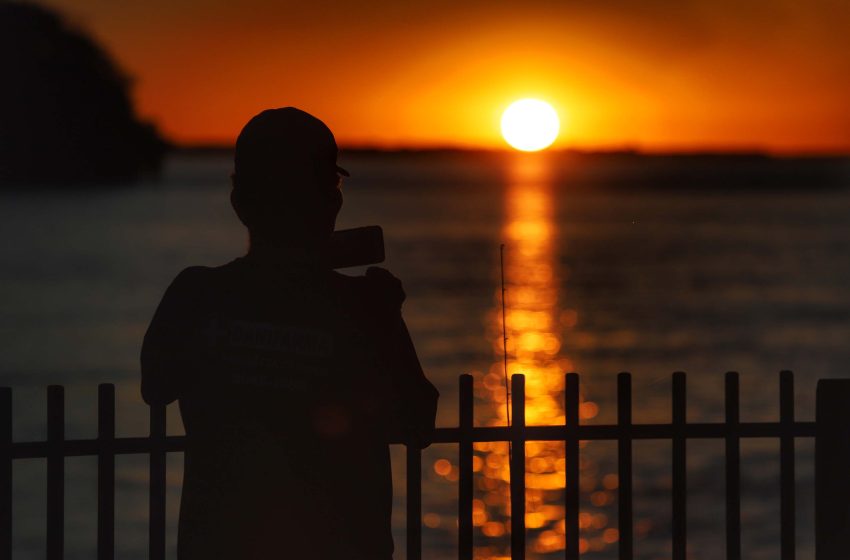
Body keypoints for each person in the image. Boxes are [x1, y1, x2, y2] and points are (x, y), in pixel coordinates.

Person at [140, 107, 439, 560]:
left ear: (239, 201)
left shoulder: (196, 295)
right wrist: (382, 317)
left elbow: (156, 385)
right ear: (332, 202)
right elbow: (415, 421)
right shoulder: (362, 306)